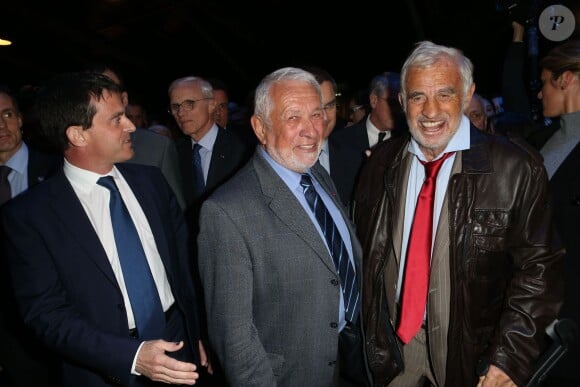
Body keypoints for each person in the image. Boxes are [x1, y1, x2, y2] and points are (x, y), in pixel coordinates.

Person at [352, 41, 564, 387]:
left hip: (472, 352)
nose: (430, 111)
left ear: (467, 96)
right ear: (402, 102)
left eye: (445, 95)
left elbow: (539, 269)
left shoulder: (516, 167)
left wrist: (509, 357)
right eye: (418, 96)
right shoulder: (380, 164)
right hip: (391, 346)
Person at [1, 71, 210, 386]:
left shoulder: (151, 182)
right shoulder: (30, 216)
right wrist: (131, 356)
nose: (130, 126)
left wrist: (197, 333)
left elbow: (184, 268)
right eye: (117, 119)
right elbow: (46, 314)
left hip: (179, 346)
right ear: (78, 135)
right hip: (103, 369)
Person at [197, 67, 366, 386]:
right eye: (293, 118)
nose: (311, 131)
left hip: (349, 360)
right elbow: (235, 344)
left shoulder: (315, 173)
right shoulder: (226, 211)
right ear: (260, 128)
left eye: (317, 115)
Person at [526, 38, 580, 387]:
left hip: (571, 313)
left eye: (545, 82)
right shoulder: (538, 138)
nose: (540, 94)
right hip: (535, 305)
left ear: (567, 79)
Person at [0, 85, 62, 386]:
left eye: (7, 114)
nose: (1, 125)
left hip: (51, 319)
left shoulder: (56, 171)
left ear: (21, 119)